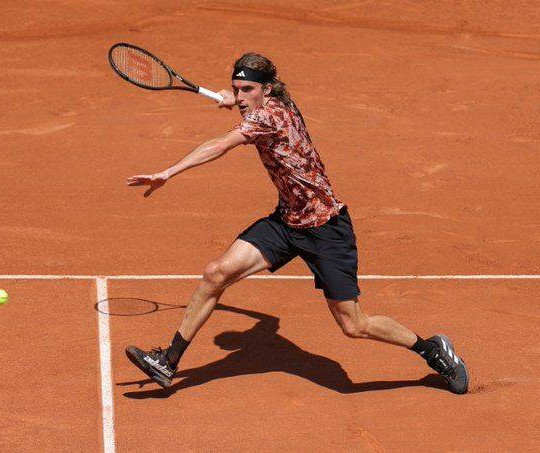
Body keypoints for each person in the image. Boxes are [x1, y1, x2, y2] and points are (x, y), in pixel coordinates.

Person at [124, 52, 469, 394]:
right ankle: (168, 361)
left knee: (354, 324)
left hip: (326, 229)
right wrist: (235, 99)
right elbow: (268, 324)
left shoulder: (268, 118)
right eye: (236, 89)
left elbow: (220, 145)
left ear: (267, 90)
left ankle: (433, 350)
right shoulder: (278, 102)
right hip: (287, 222)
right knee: (216, 274)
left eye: (247, 90)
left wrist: (167, 172)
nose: (241, 97)